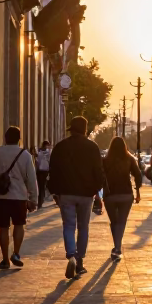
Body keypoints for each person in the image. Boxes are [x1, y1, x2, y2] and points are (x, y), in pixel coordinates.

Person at [47, 116, 106, 279]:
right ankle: (79, 261)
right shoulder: (92, 147)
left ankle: (71, 255)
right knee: (83, 227)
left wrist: (54, 192)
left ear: (71, 129)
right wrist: (97, 192)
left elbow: (53, 172)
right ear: (85, 129)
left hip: (65, 194)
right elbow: (98, 172)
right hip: (86, 194)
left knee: (68, 226)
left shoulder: (60, 147)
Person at [0, 126, 38, 270]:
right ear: (19, 139)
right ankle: (16, 253)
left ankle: (4, 259)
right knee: (19, 225)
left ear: (5, 137)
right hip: (19, 197)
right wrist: (33, 198)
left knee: (3, 228)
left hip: (1, 197)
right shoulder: (25, 155)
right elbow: (31, 179)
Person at [102, 136, 142, 261]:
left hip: (110, 196)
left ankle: (116, 248)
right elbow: (138, 175)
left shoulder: (105, 160)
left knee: (114, 222)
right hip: (126, 195)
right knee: (121, 222)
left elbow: (100, 177)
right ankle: (117, 248)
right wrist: (138, 191)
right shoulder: (129, 159)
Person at [35, 140, 52, 207]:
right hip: (43, 171)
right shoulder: (47, 153)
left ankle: (40, 201)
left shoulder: (40, 153)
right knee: (41, 186)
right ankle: (40, 201)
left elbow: (37, 162)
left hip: (41, 171)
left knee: (41, 187)